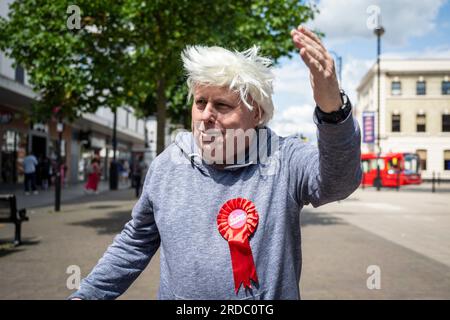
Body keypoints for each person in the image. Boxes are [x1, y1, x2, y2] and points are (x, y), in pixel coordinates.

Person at [69, 26, 362, 300]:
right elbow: (136, 241)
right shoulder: (167, 165)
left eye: (222, 105)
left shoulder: (284, 158)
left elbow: (338, 182)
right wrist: (87, 294)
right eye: (200, 103)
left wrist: (333, 111)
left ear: (256, 113)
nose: (206, 114)